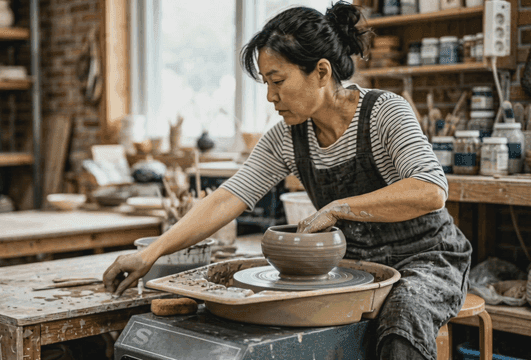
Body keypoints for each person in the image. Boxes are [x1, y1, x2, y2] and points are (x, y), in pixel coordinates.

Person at [103, 3, 472, 359]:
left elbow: (430, 191)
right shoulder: (287, 137)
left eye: (277, 81)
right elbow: (227, 198)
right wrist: (150, 254)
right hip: (357, 266)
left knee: (402, 316)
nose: (270, 96)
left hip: (427, 259)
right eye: (266, 83)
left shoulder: (384, 112)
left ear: (322, 72)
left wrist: (338, 208)